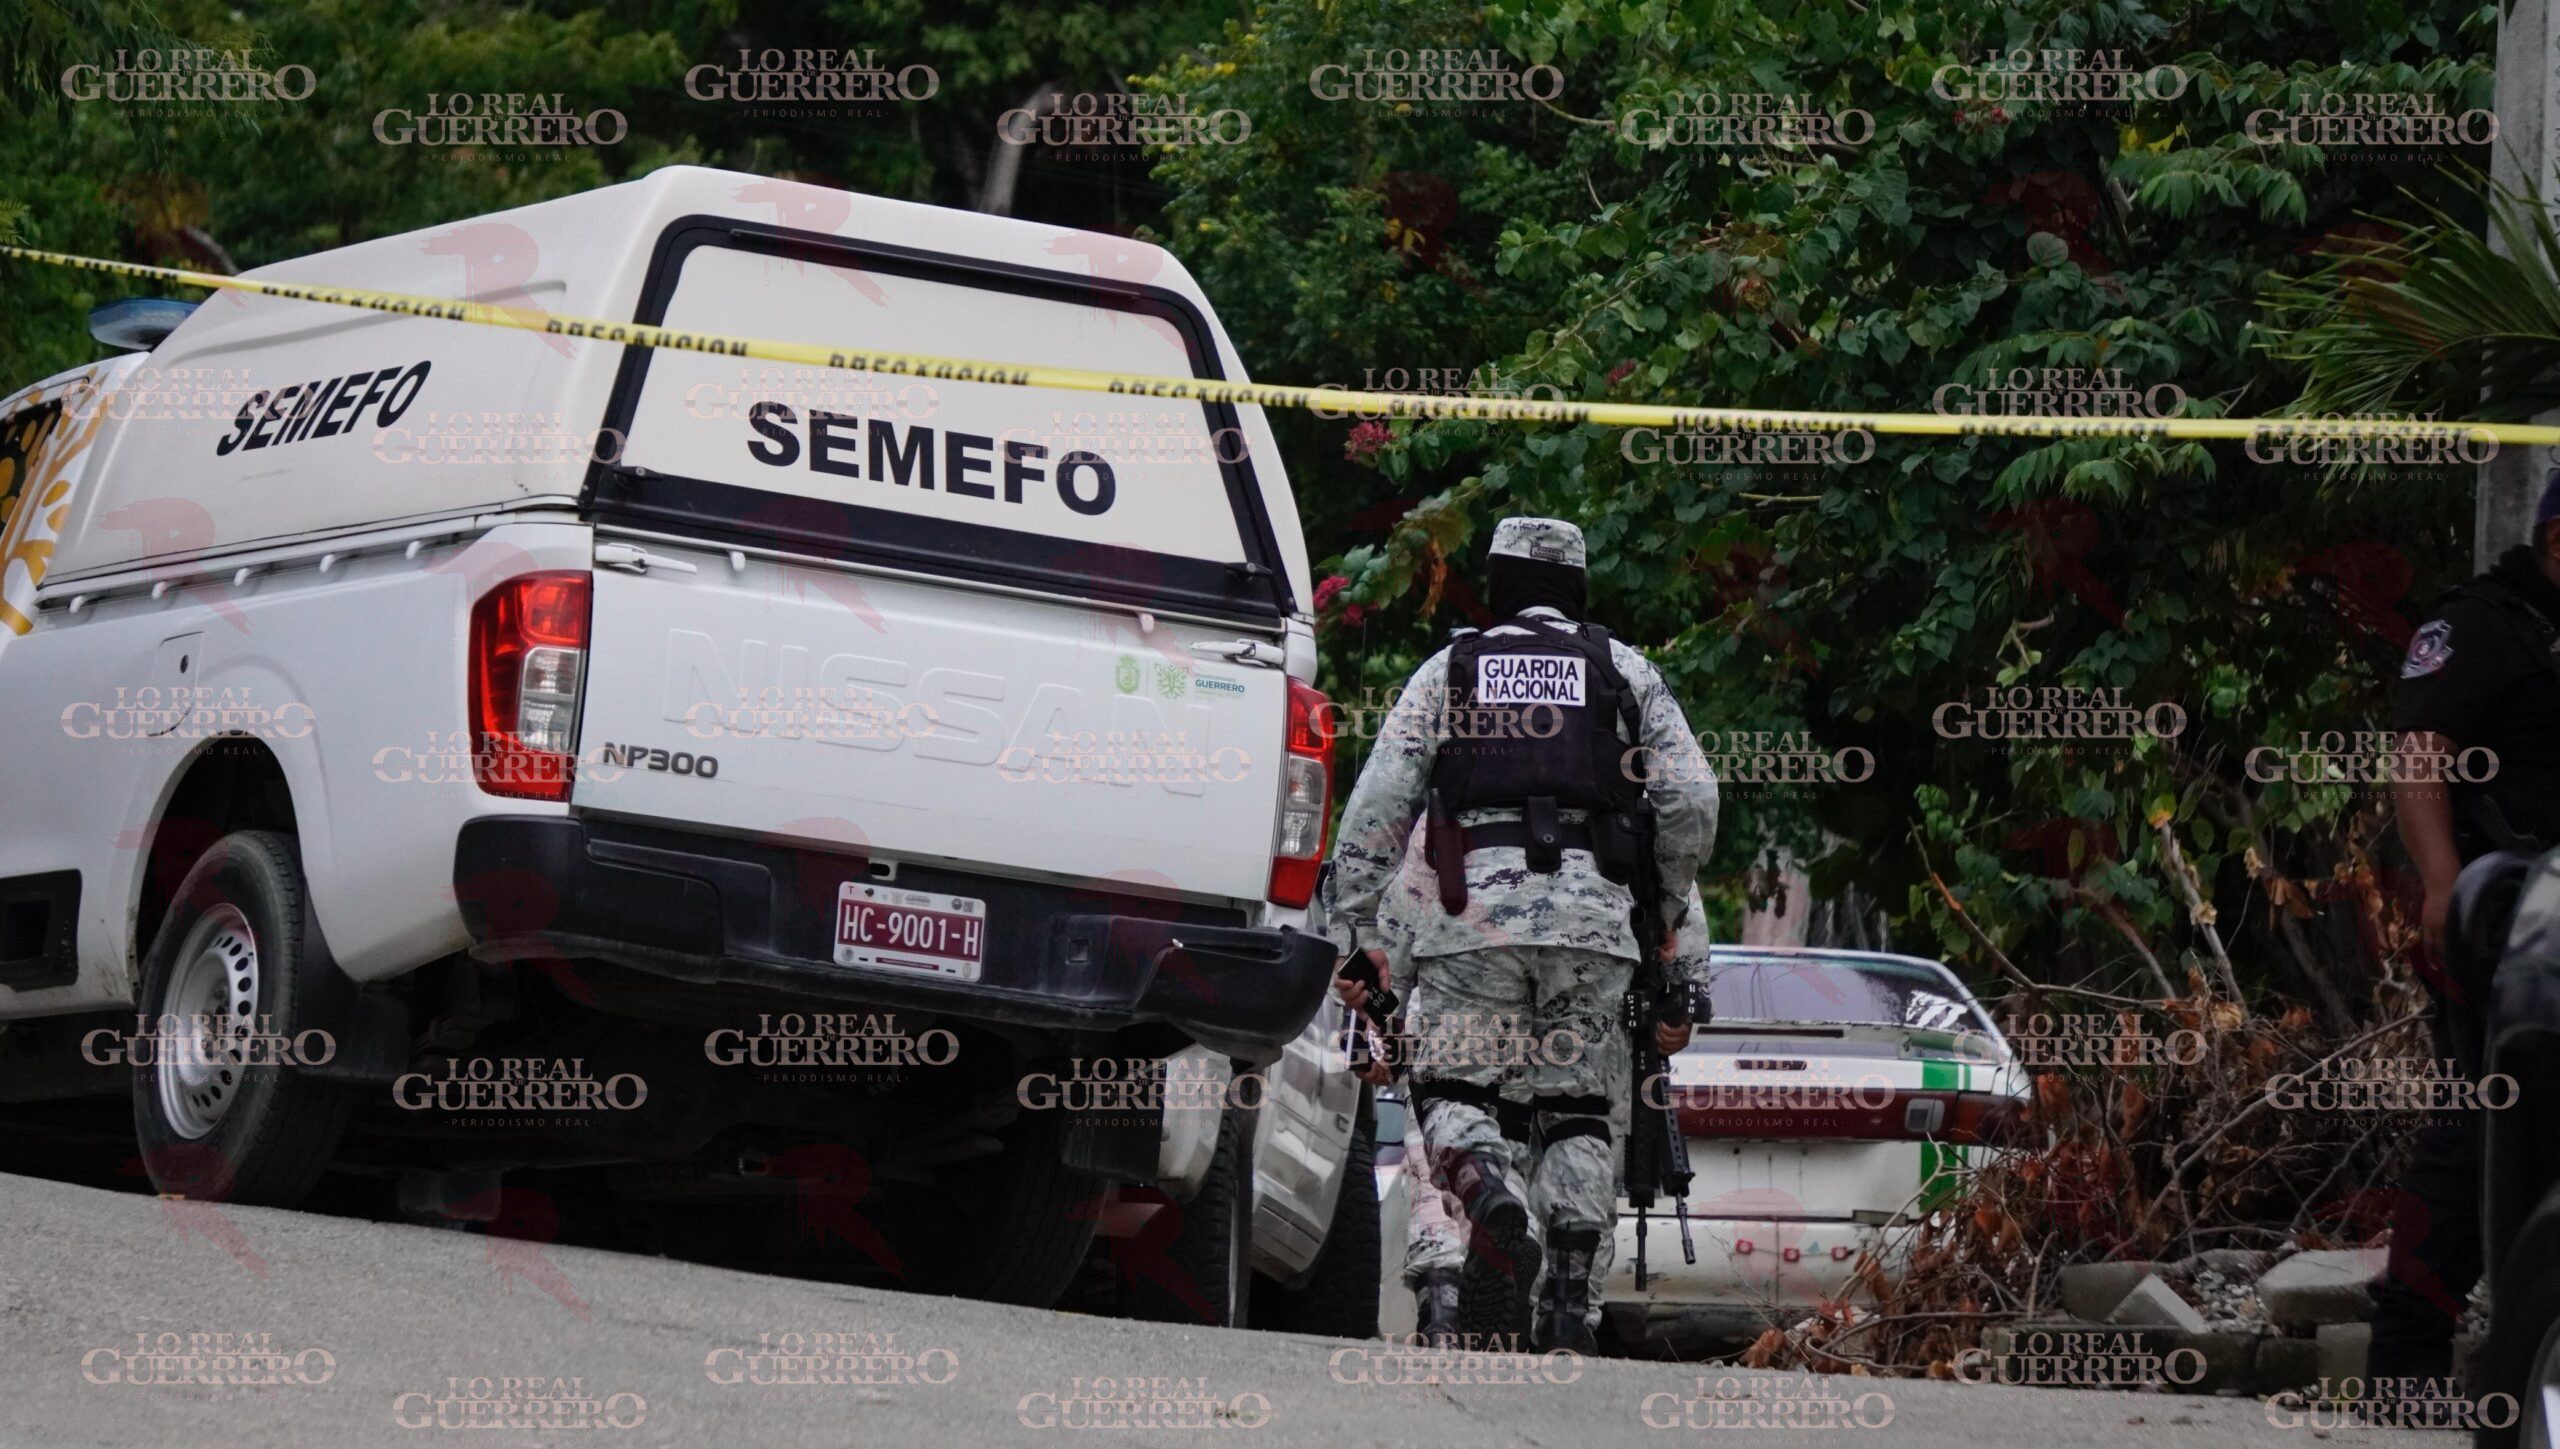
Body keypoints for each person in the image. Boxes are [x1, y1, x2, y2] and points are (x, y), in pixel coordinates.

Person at [1326, 517, 1718, 1353]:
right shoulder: (1624, 671)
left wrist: (1353, 922)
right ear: (1578, 586)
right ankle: (1569, 1305)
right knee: (1578, 1107)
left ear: (1498, 583)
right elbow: (1692, 799)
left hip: (1474, 923)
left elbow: (1378, 805)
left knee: (1452, 1089)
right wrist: (1668, 904)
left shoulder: (1451, 670)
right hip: (1597, 929)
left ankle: (1481, 1178)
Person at [2375, 473, 2560, 1385]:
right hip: (2499, 922)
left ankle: (2518, 1356)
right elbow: (2420, 753)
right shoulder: (2488, 623)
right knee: (2480, 1130)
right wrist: (2443, 883)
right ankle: (2403, 1354)